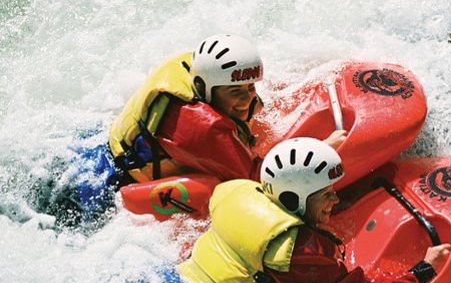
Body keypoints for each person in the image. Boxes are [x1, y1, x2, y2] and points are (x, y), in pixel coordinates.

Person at [136, 138, 449, 283]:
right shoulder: (298, 251)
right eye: (325, 195)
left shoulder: (242, 191)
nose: (334, 202)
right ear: (293, 199)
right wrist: (422, 271)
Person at [108, 34, 346, 184]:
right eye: (235, 92)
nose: (246, 99)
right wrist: (322, 148)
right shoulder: (202, 127)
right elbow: (258, 178)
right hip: (111, 180)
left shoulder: (196, 67)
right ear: (205, 87)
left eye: (250, 87)